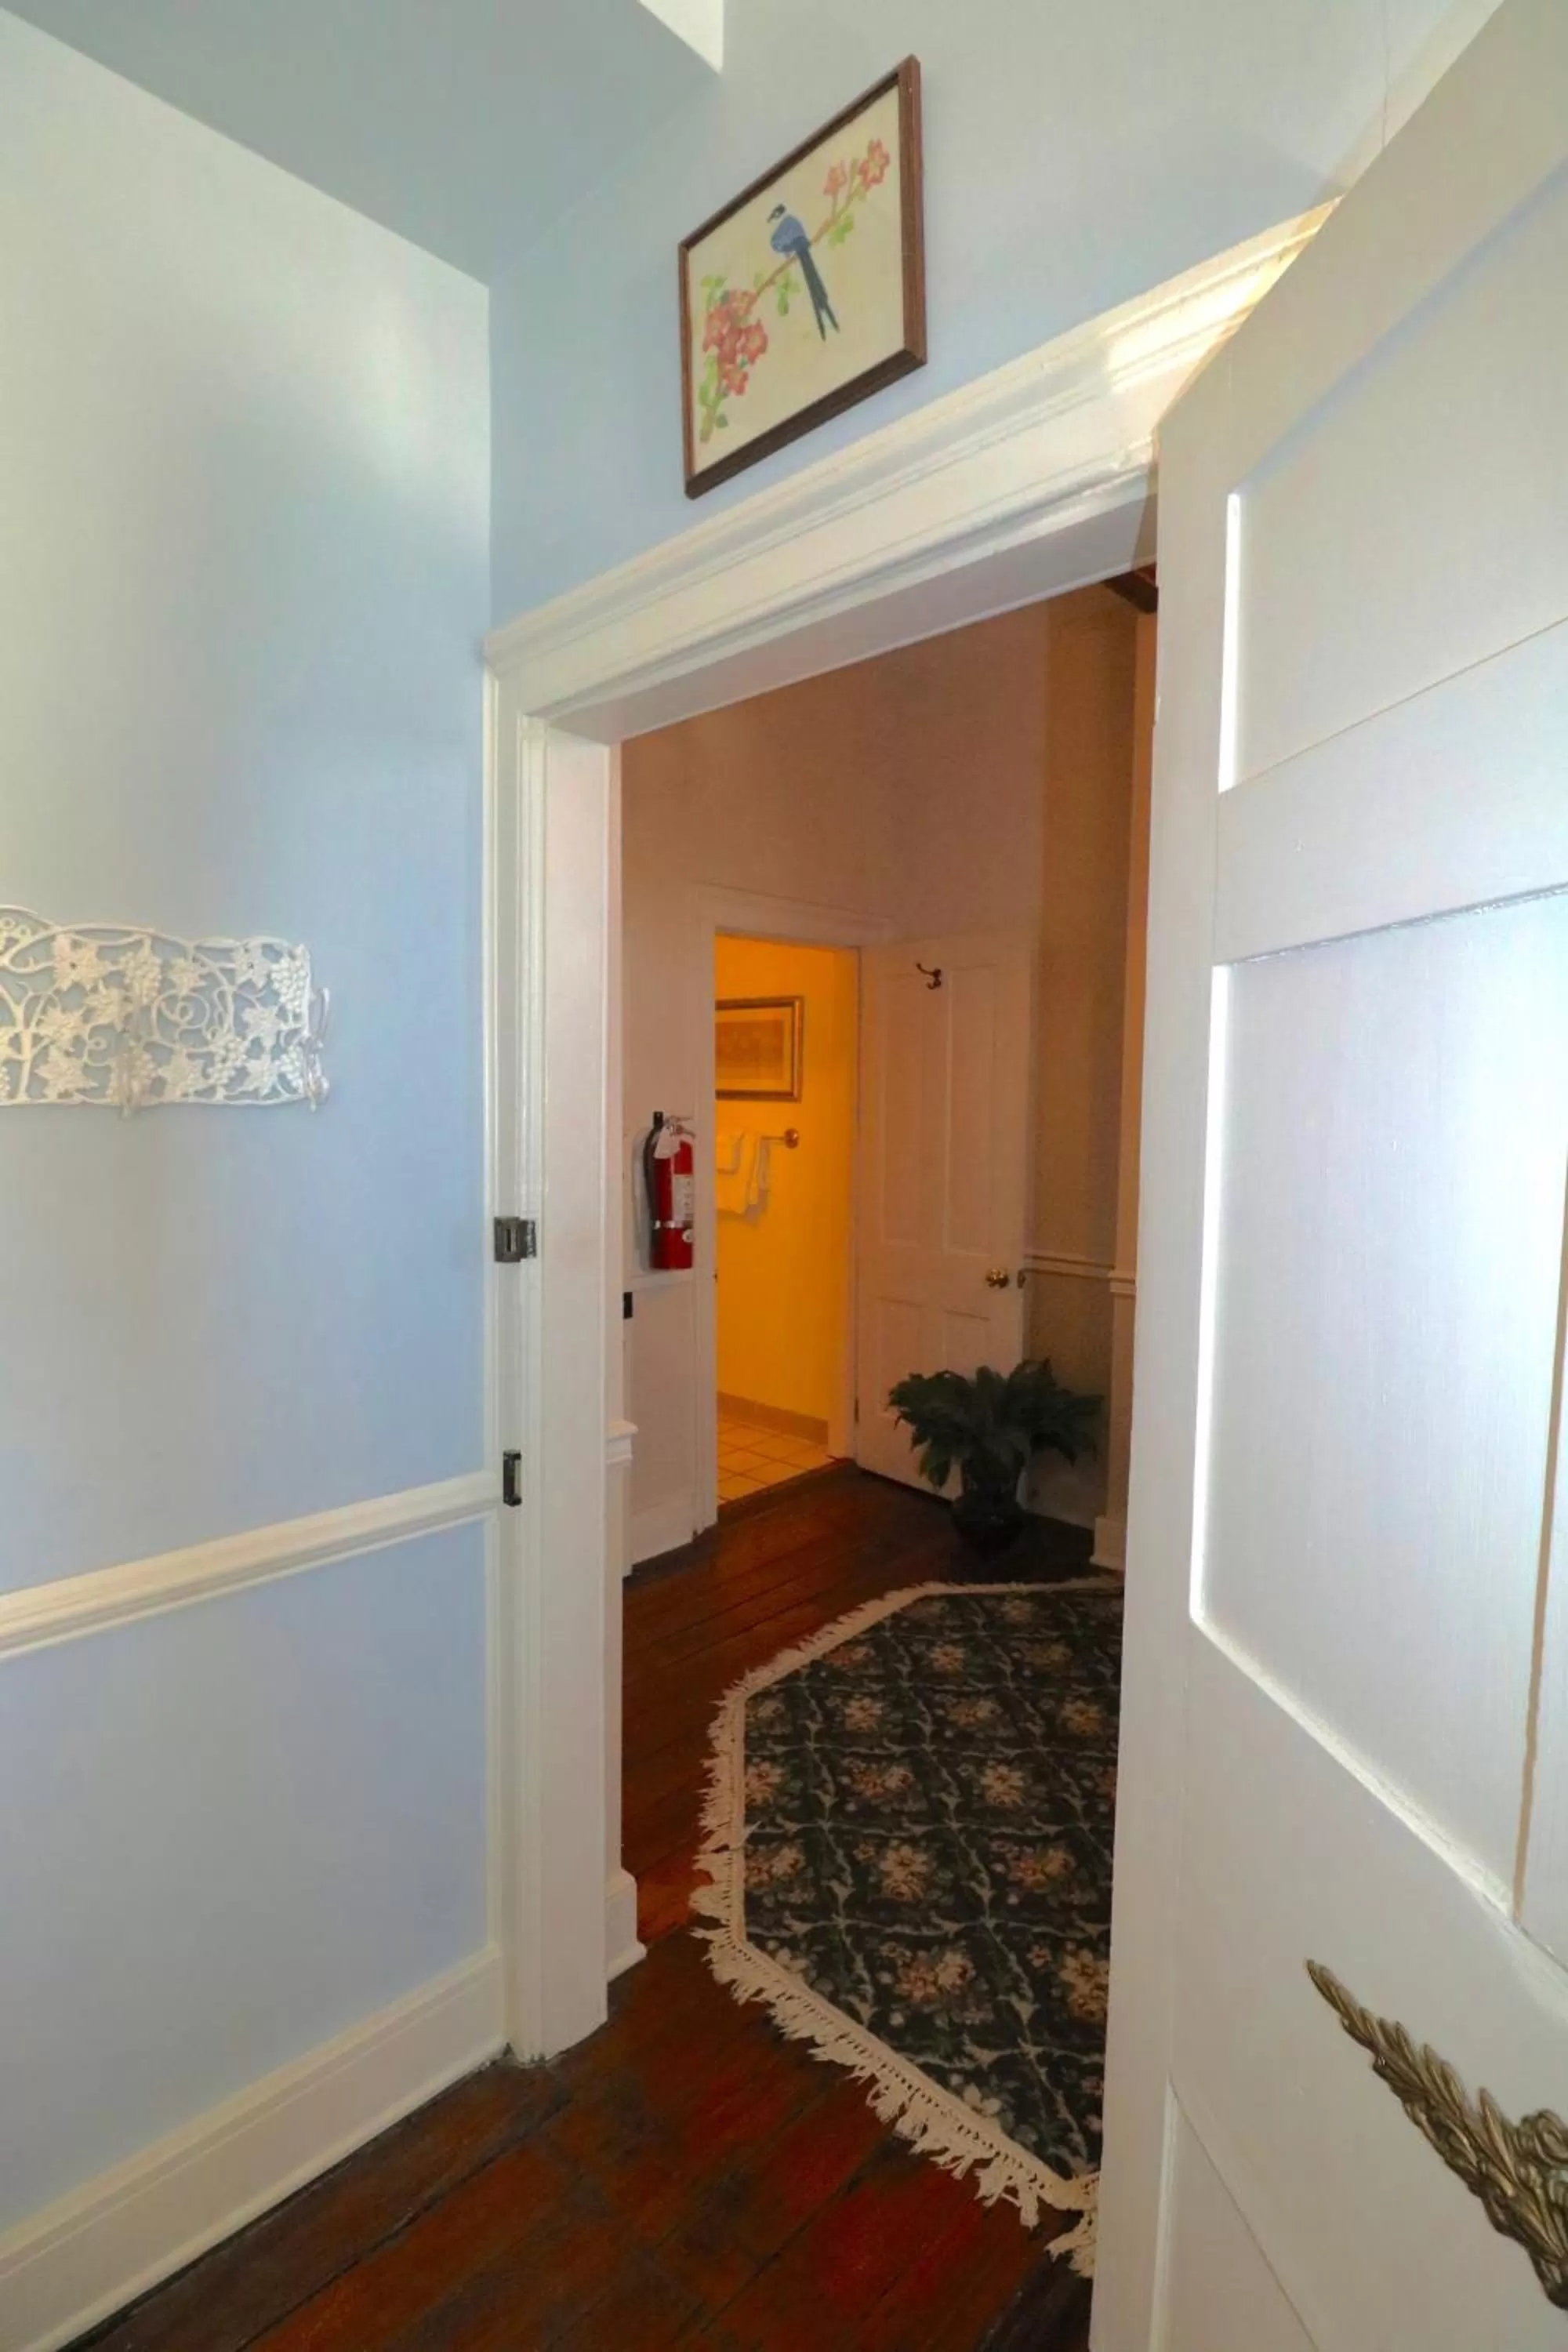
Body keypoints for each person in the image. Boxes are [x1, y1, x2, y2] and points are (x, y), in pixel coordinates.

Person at [768, 204, 840, 339]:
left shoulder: (788, 221)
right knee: (812, 278)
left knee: (812, 280)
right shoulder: (790, 222)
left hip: (799, 246)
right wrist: (787, 248)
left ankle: (822, 305)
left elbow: (776, 243)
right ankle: (822, 305)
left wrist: (786, 249)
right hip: (801, 246)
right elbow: (777, 243)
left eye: (776, 215)